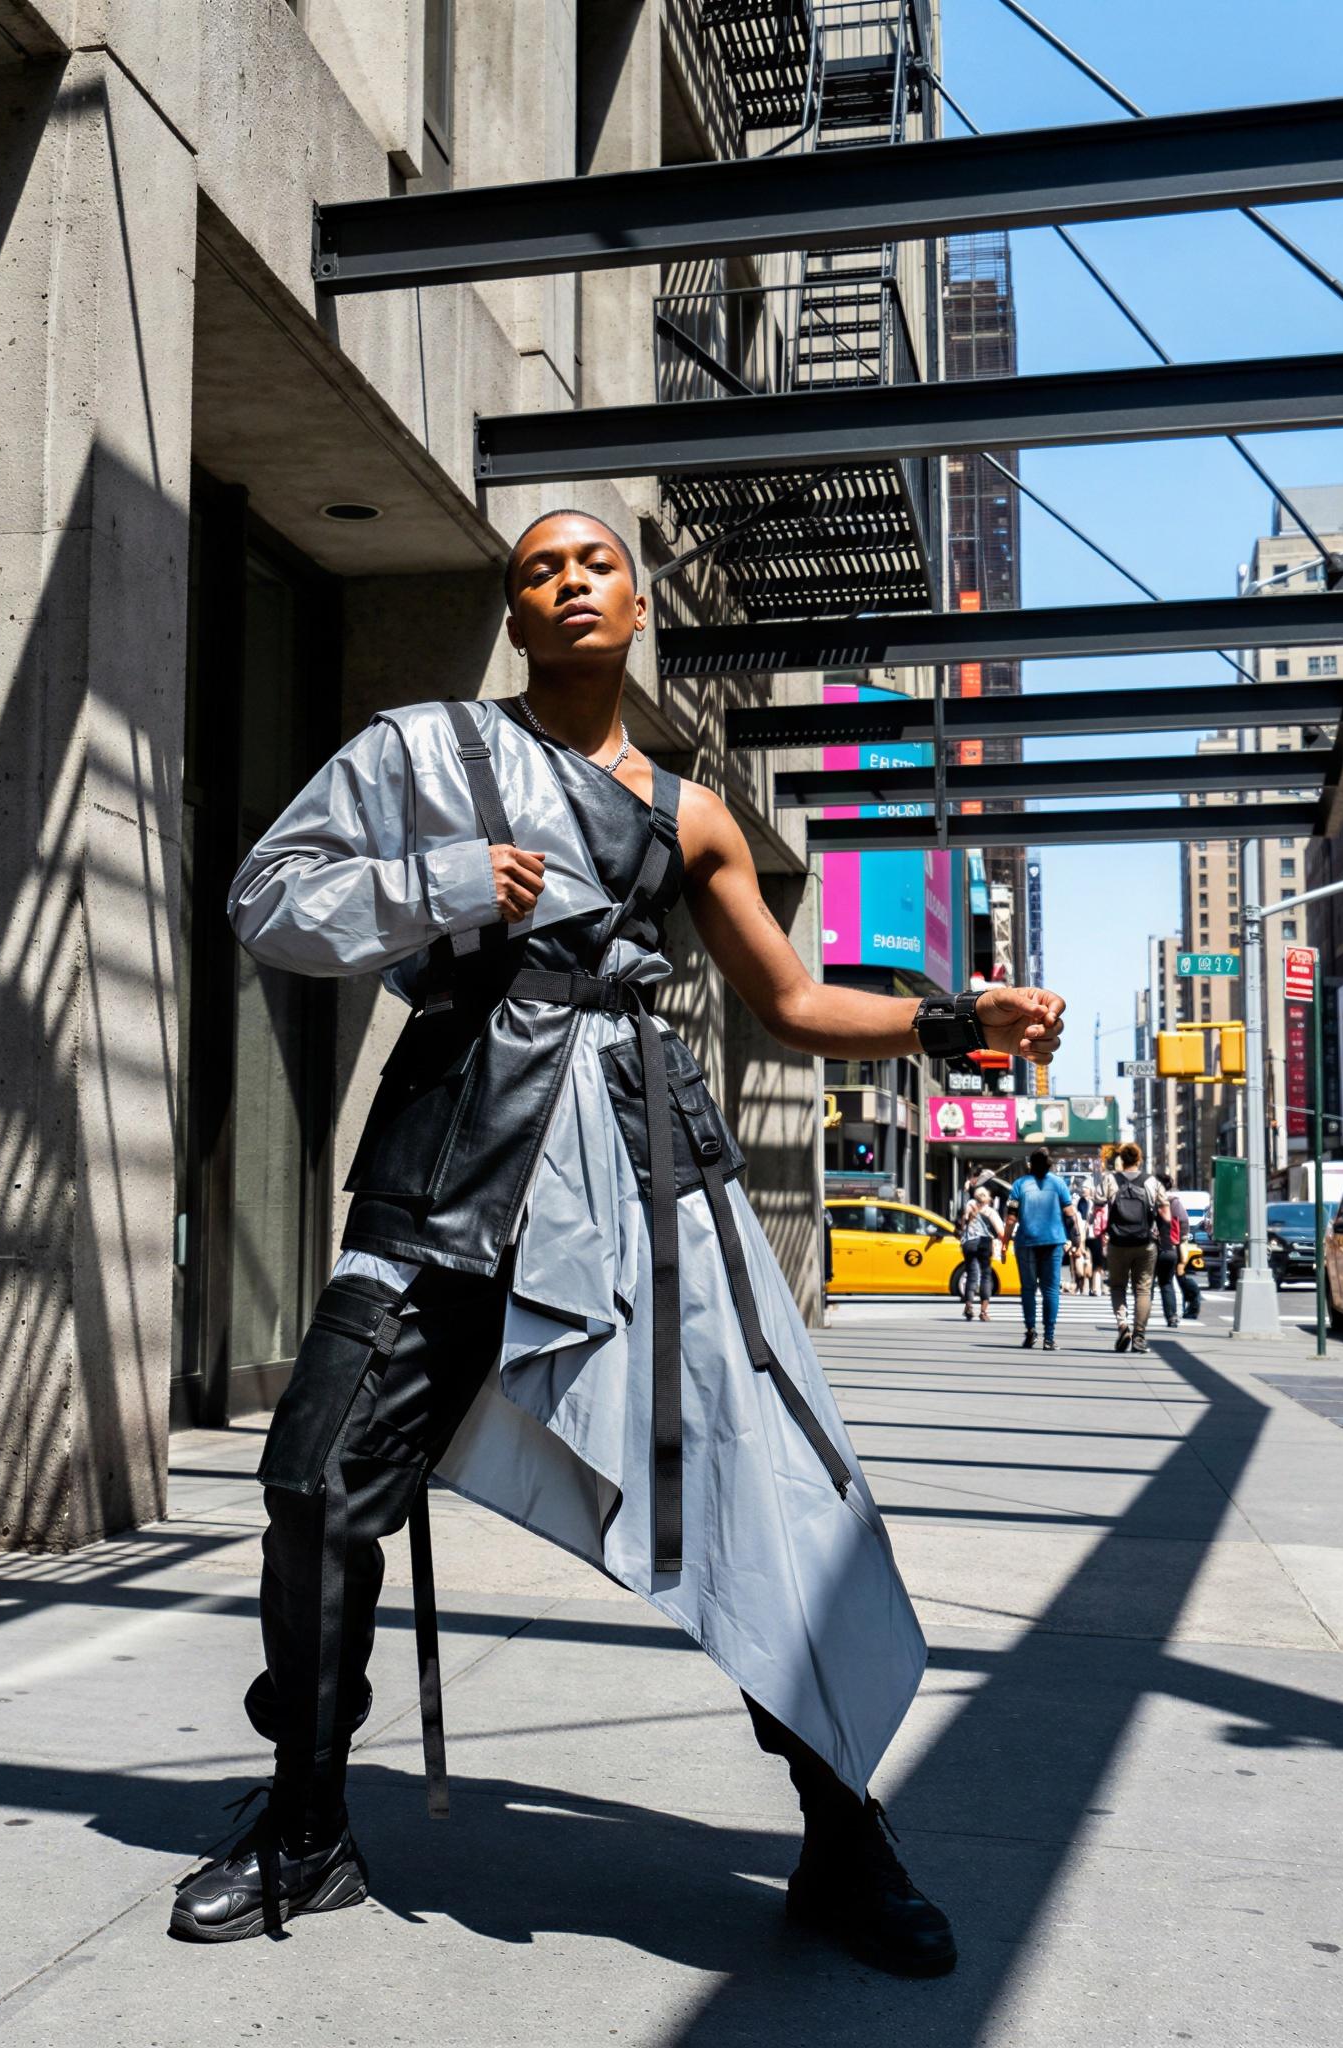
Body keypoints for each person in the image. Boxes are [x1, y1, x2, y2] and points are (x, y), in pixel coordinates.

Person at [202, 508, 1067, 1973]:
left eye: (593, 561)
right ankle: (306, 1824)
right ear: (517, 616)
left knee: (766, 1497)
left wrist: (947, 1022)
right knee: (314, 1477)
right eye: (538, 570)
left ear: (637, 600)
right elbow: (267, 899)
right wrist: (449, 882)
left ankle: (844, 1837)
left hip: (640, 1171)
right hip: (449, 1156)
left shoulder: (695, 810)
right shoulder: (427, 756)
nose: (568, 582)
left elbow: (789, 1004)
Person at [1002, 1146, 1078, 1350]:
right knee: (1051, 1289)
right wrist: (1077, 1240)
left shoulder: (1019, 1185)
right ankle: (1049, 1338)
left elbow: (1011, 1218)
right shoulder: (1059, 1183)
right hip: (1053, 1242)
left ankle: (1030, 1331)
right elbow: (1070, 1214)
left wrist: (1004, 1242)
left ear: (1030, 1165)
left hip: (1026, 1242)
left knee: (1028, 1288)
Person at [1105, 1143, 1169, 1353]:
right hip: (1145, 1243)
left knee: (1117, 1287)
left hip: (1117, 1243)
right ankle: (1139, 1336)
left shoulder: (1110, 1179)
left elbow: (1097, 1204)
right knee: (1143, 1289)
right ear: (1139, 1160)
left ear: (1121, 1160)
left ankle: (1123, 1325)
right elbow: (1165, 1213)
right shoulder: (1152, 1181)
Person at [1156, 1171, 1201, 1326]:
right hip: (1172, 1248)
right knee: (1166, 1283)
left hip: (1153, 1247)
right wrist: (1181, 1240)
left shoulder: (1153, 1200)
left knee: (1145, 1284)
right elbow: (1184, 1222)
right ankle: (1172, 1316)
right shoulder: (1175, 1202)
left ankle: (1140, 1317)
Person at [958, 1183, 1002, 1321]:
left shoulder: (969, 1208)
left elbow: (962, 1225)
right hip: (984, 1243)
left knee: (972, 1274)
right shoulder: (990, 1212)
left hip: (969, 1243)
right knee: (986, 1275)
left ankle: (969, 1305)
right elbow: (1000, 1231)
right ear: (988, 1199)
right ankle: (983, 1312)